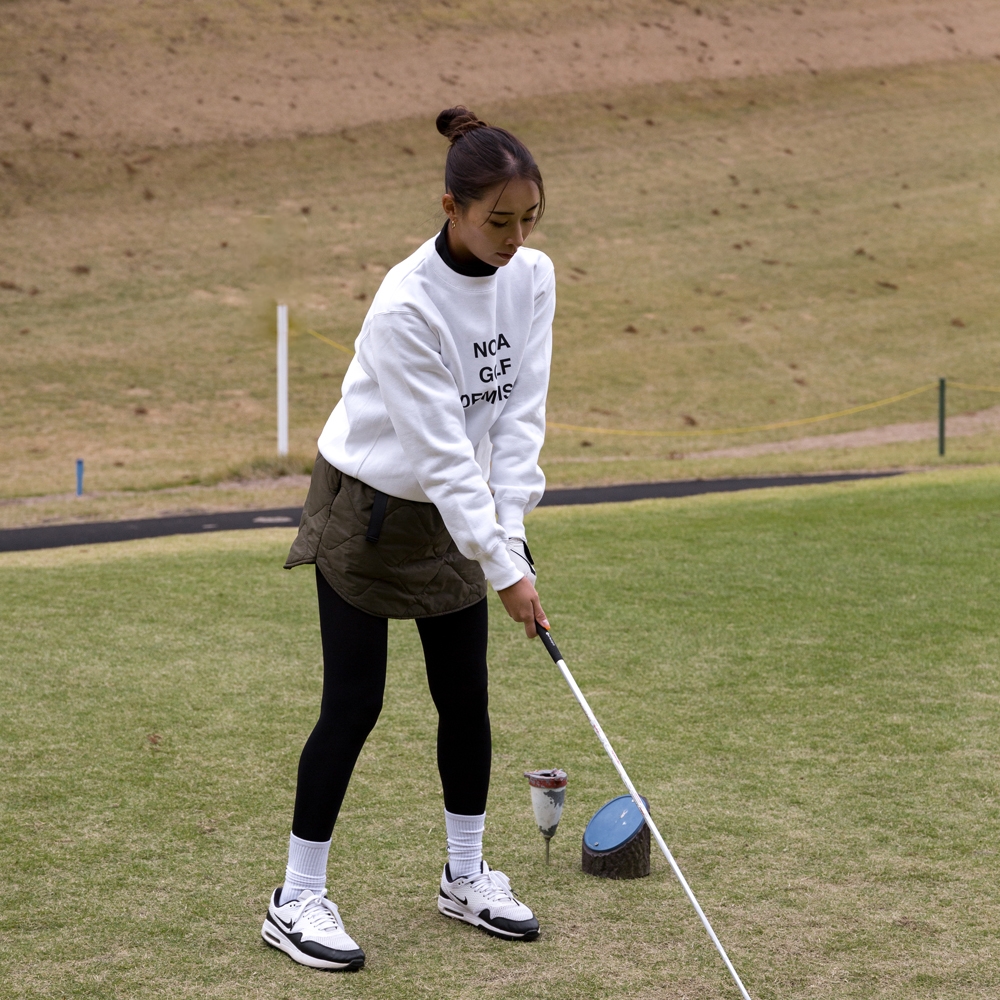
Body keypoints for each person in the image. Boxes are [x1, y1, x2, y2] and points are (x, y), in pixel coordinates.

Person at [260, 106, 556, 971]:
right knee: (355, 703)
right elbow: (439, 454)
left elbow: (515, 421)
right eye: (497, 220)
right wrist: (503, 570)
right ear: (451, 206)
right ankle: (294, 896)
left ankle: (465, 877)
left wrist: (513, 536)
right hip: (372, 506)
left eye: (528, 218)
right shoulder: (406, 305)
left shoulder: (532, 278)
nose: (514, 236)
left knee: (465, 697)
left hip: (456, 516)